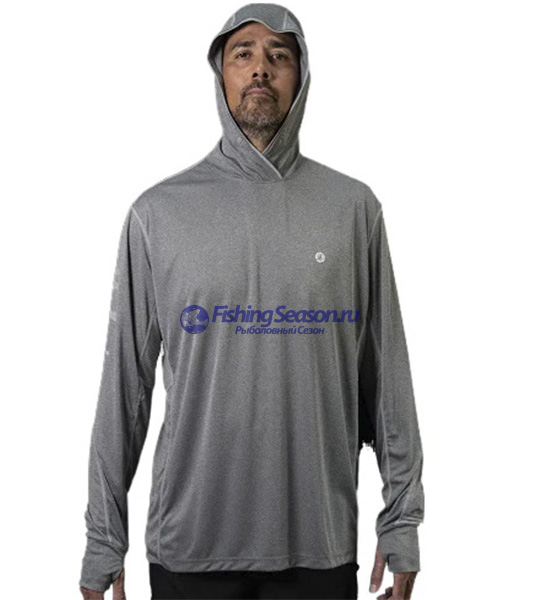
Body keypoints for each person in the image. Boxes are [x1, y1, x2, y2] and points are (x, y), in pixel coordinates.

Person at [78, 3, 425, 600]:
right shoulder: (157, 215)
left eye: (278, 55)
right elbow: (125, 388)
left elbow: (386, 376)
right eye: (244, 54)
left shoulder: (353, 210)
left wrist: (402, 521)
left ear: (301, 77)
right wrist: (103, 538)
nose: (260, 68)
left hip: (318, 546)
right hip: (190, 547)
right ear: (221, 74)